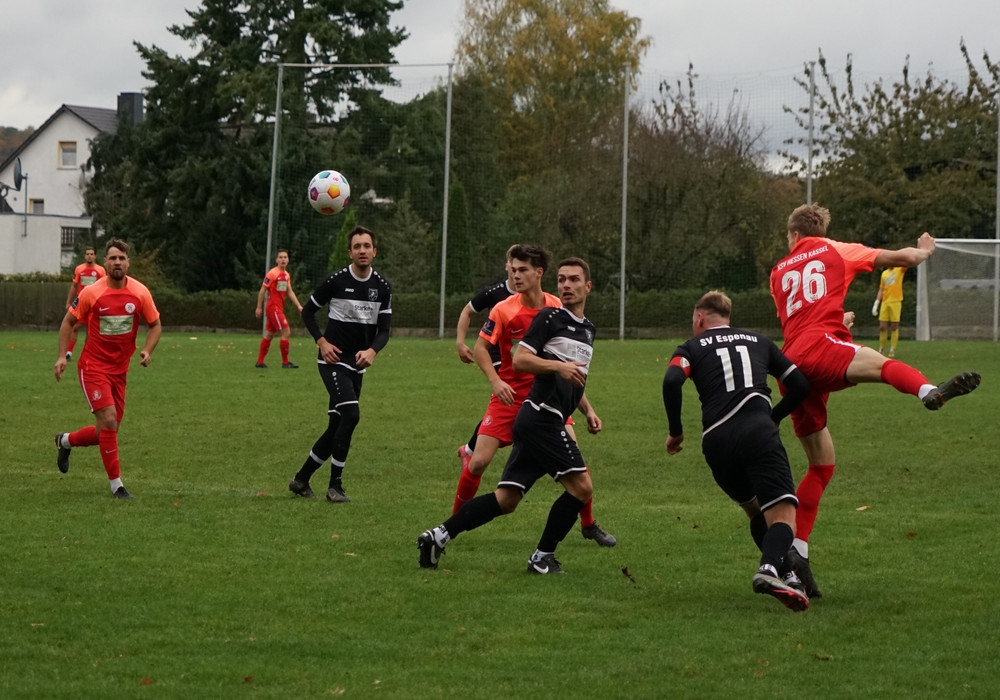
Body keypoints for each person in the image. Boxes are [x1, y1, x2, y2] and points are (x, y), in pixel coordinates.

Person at [769, 203, 981, 597]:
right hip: (821, 348)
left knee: (821, 466)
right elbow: (902, 258)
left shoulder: (778, 271)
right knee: (882, 365)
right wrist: (925, 250)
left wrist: (840, 321)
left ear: (794, 235)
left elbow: (800, 319)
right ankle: (928, 391)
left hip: (790, 368)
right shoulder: (836, 249)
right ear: (818, 233)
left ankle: (798, 552)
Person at [418, 258, 603, 574]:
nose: (566, 285)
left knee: (506, 499)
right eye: (562, 279)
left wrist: (587, 410)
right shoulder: (549, 317)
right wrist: (558, 366)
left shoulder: (588, 329)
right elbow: (520, 359)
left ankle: (438, 536)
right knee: (582, 488)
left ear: (588, 287)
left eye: (574, 280)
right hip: (542, 418)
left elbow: (574, 378)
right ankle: (541, 558)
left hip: (543, 421)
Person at [451, 244, 616, 546]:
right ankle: (453, 523)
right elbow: (481, 349)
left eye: (522, 270)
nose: (515, 276)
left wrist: (587, 409)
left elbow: (568, 368)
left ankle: (589, 523)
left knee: (574, 457)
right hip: (510, 396)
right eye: (512, 270)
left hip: (548, 400)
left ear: (539, 273)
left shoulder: (557, 307)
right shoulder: (504, 309)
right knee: (477, 463)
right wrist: (496, 382)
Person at [663, 291, 811, 611]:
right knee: (783, 516)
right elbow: (800, 384)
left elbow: (672, 380)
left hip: (716, 442)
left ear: (700, 318)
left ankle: (790, 576)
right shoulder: (759, 341)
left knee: (756, 511)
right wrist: (774, 417)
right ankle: (768, 569)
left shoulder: (691, 347)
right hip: (758, 432)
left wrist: (676, 431)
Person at [288, 227, 392, 503]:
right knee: (352, 415)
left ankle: (301, 479)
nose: (362, 250)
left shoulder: (382, 287)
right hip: (332, 361)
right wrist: (321, 342)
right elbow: (308, 312)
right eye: (357, 246)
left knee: (337, 426)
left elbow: (384, 331)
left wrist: (372, 350)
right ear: (350, 252)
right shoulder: (335, 281)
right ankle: (335, 486)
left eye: (366, 246)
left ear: (374, 252)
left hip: (357, 364)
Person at [52, 238, 162, 499]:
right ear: (105, 262)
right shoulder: (92, 293)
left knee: (106, 431)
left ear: (128, 263)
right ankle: (117, 486)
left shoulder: (140, 292)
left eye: (122, 258)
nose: (117, 262)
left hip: (119, 370)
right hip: (92, 367)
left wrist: (147, 350)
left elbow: (155, 325)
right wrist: (61, 356)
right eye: (113, 258)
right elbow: (68, 323)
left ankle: (65, 440)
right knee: (109, 420)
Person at [454, 247, 517, 482]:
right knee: (508, 401)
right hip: (496, 357)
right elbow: (467, 311)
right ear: (507, 265)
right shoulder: (495, 293)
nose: (516, 270)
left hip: (520, 359)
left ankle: (469, 450)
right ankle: (474, 450)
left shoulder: (533, 296)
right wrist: (460, 342)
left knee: (508, 405)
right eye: (512, 264)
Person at [255, 249, 303, 368]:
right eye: (280, 257)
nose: (283, 259)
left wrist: (299, 306)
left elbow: (289, 291)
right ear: (276, 260)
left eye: (285, 257)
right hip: (273, 308)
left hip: (278, 308)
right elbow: (262, 290)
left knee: (269, 334)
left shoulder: (286, 275)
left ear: (288, 260)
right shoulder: (272, 273)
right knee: (286, 331)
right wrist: (259, 307)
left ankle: (260, 362)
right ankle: (285, 363)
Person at [63, 246, 106, 361]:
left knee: (90, 330)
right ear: (84, 256)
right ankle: (69, 353)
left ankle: (87, 353)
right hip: (81, 302)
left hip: (94, 303)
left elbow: (104, 287)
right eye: (87, 254)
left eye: (91, 254)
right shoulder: (79, 269)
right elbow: (74, 286)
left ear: (95, 256)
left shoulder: (101, 270)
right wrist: (68, 302)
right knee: (75, 326)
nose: (89, 256)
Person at [873, 266, 906, 357]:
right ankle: (881, 348)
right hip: (885, 302)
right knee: (882, 327)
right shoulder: (884, 274)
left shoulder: (899, 270)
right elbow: (881, 289)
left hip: (895, 302)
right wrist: (876, 303)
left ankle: (892, 348)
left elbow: (906, 264)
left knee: (894, 326)